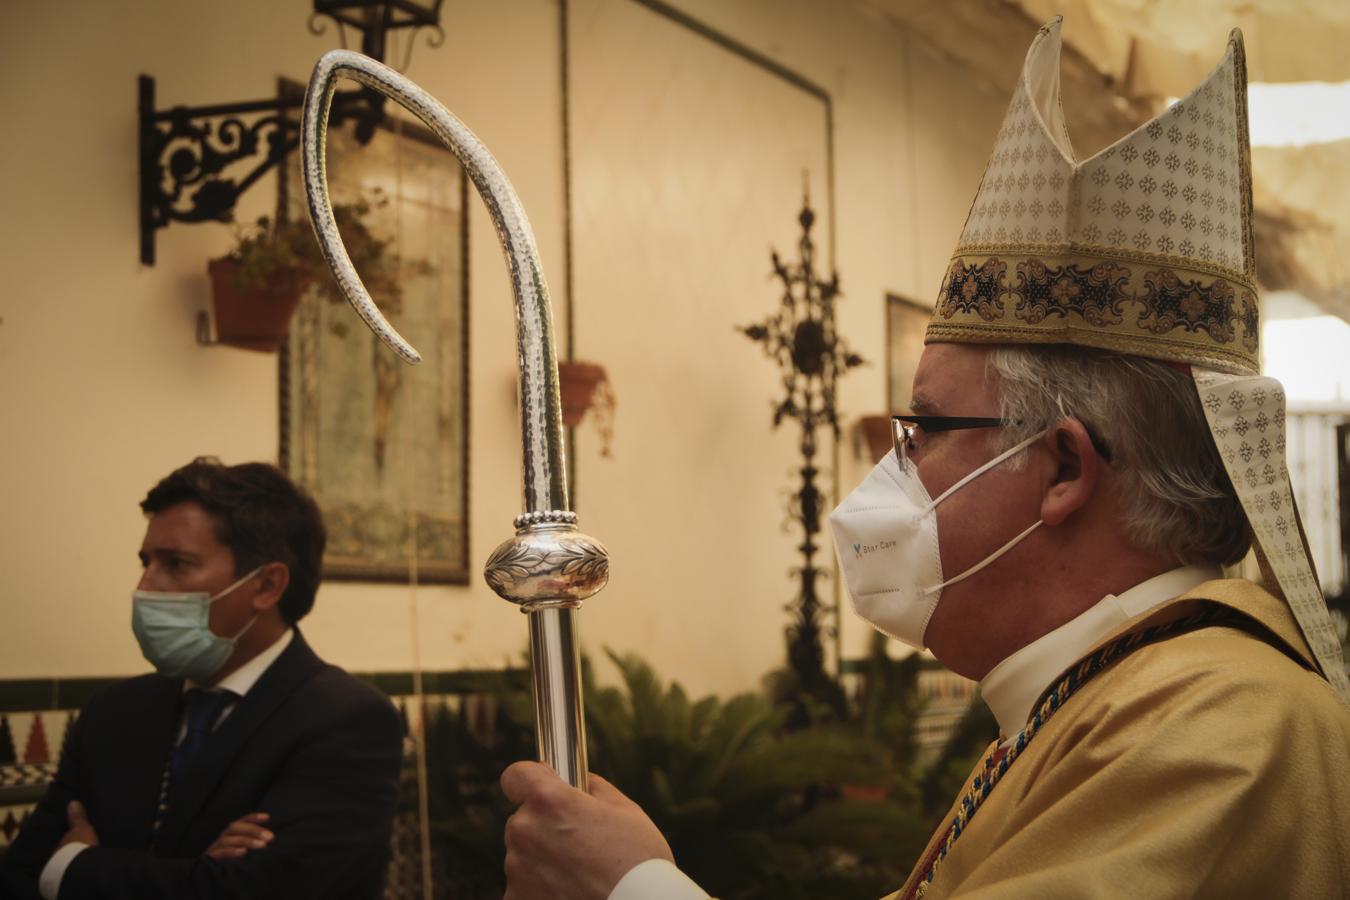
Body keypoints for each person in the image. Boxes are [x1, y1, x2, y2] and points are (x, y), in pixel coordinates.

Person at [496, 19, 1350, 900]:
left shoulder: (1222, 726)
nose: (890, 476)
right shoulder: (1109, 698)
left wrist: (630, 888)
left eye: (927, 431)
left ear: (1063, 470)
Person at [0, 458, 404, 899]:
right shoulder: (113, 711)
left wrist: (76, 865)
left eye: (176, 564)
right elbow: (21, 874)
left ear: (267, 586)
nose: (145, 587)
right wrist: (195, 871)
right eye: (146, 562)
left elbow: (258, 891)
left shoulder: (347, 720)